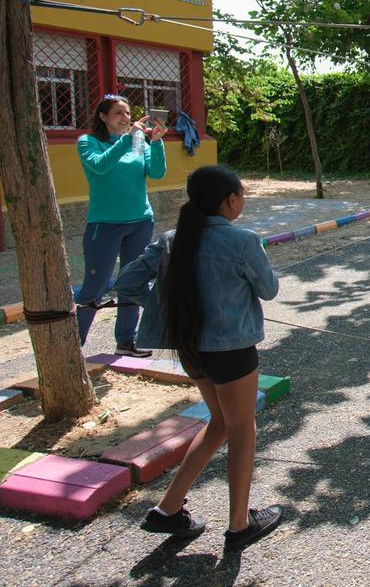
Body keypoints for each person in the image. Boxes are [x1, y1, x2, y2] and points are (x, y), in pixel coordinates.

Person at [114, 165, 286, 550]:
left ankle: (168, 509)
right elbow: (269, 290)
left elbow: (125, 282)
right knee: (242, 430)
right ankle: (240, 525)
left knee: (221, 425)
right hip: (232, 352)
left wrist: (160, 305)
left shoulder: (171, 240)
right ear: (230, 200)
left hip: (190, 350)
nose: (242, 201)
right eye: (241, 194)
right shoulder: (243, 241)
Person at [76, 94, 168, 357]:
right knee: (95, 286)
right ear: (103, 116)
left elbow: (157, 173)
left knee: (131, 281)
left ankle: (126, 341)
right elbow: (100, 166)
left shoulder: (139, 142)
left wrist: (157, 142)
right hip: (104, 225)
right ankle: (73, 347)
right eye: (118, 113)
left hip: (140, 222)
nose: (126, 118)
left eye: (128, 113)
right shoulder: (89, 142)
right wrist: (128, 139)